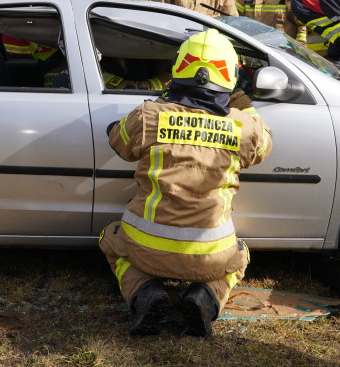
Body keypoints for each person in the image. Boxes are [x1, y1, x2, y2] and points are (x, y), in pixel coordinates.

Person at [99, 28, 272, 337]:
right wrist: (244, 104)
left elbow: (118, 141)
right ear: (229, 75)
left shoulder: (149, 115)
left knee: (110, 239)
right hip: (212, 255)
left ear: (178, 68)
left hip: (144, 249)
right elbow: (263, 146)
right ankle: (206, 297)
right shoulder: (245, 127)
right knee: (241, 255)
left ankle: (144, 291)